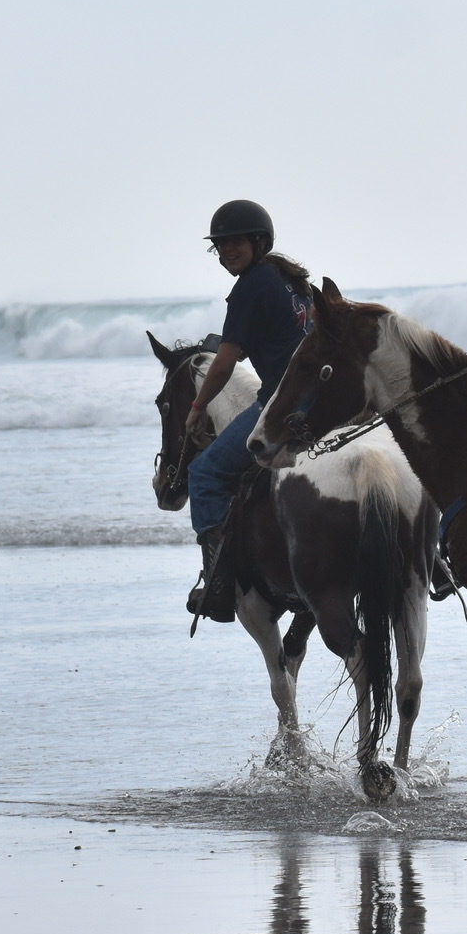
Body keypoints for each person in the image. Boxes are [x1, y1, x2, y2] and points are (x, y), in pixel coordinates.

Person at [185, 199, 315, 622]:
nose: (227, 252)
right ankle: (435, 563)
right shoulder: (290, 279)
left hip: (285, 404)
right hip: (334, 398)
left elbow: (224, 363)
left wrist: (199, 406)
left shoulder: (249, 288)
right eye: (220, 246)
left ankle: (219, 585)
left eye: (235, 243)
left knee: (203, 473)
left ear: (259, 242)